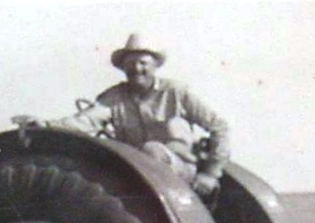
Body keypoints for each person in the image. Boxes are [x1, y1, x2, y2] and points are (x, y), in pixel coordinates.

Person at [21, 33, 231, 197]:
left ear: (154, 66)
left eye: (143, 63)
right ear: (123, 68)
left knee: (151, 151)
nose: (137, 69)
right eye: (130, 64)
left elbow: (219, 127)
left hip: (179, 172)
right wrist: (46, 125)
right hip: (138, 175)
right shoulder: (114, 97)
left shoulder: (177, 92)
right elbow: (84, 121)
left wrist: (210, 174)